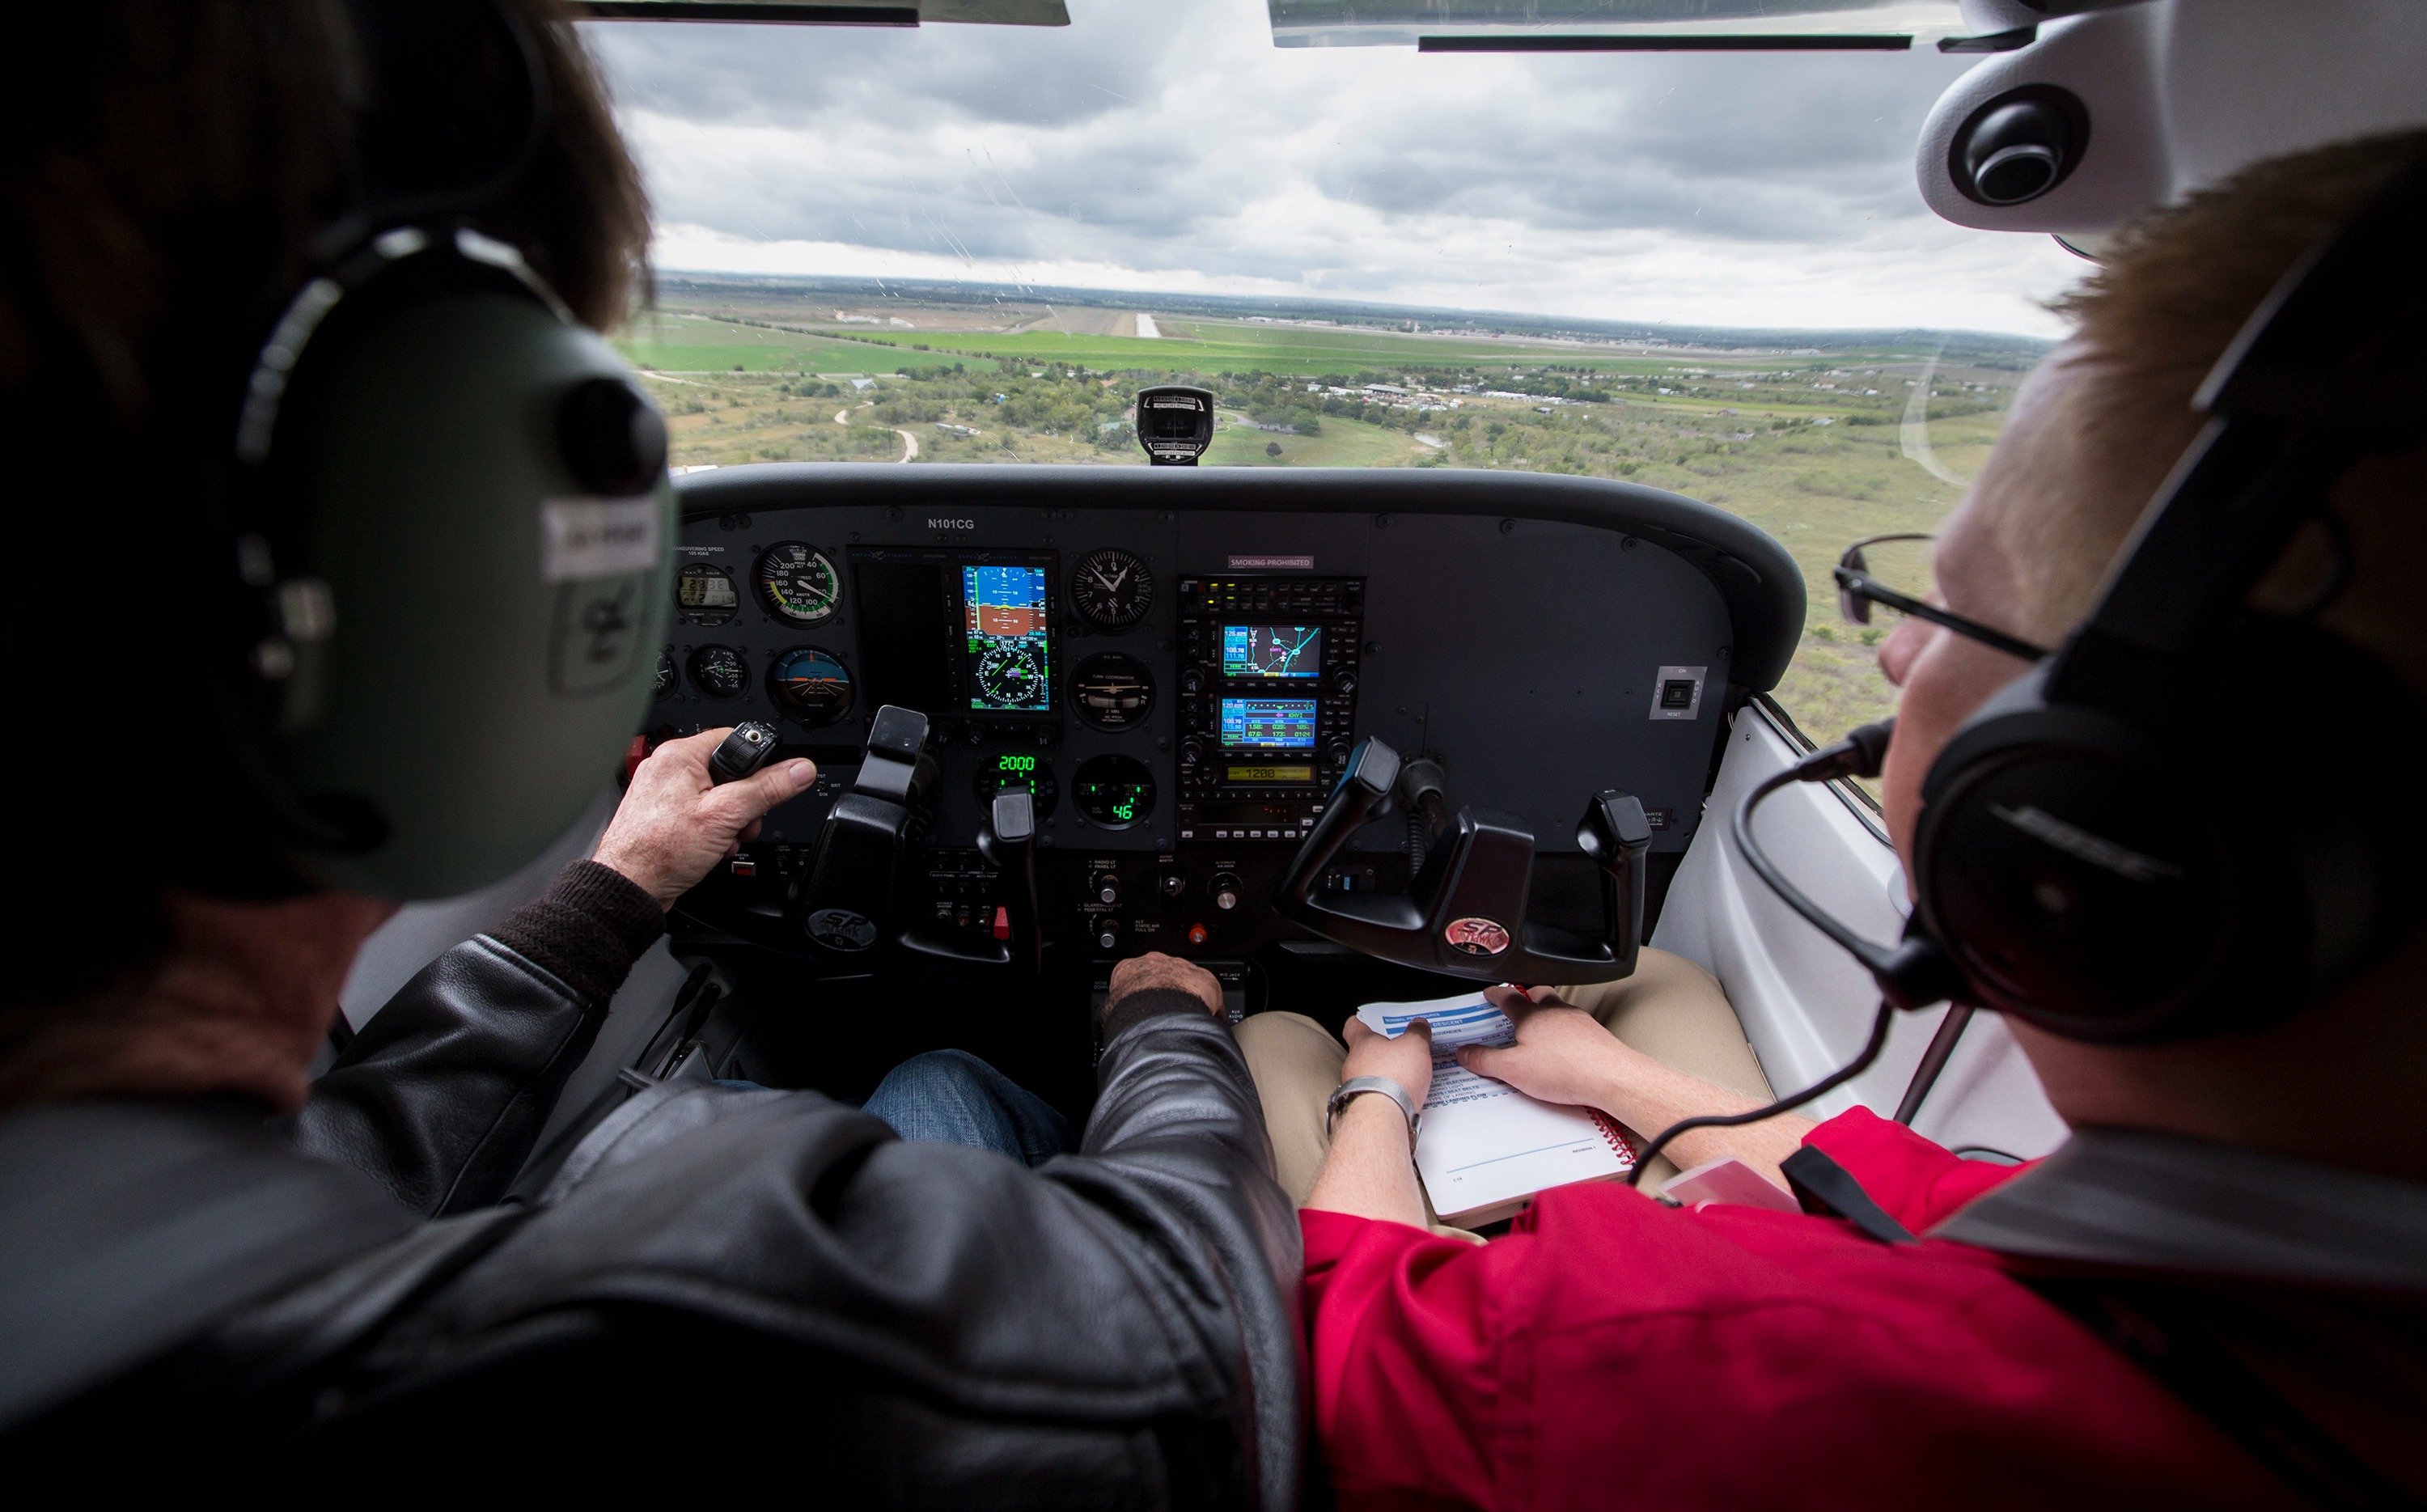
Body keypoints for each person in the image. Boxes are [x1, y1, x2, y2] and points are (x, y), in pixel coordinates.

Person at [0, 6, 1299, 1502]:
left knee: (939, 1060)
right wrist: (1163, 1018)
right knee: (943, 1076)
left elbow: (339, 1165)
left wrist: (612, 889)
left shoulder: (117, 1258)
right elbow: (1205, 1350)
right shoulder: (681, 1317)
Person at [1260, 130, 2427, 1507]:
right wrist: (1605, 1076)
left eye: (1947, 614)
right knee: (1646, 990)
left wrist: (1377, 1094)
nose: (1888, 665)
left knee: (1272, 1024)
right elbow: (1914, 1191)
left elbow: (1351, 1336)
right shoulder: (2271, 1274)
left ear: (2098, 803)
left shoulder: (1753, 1368)